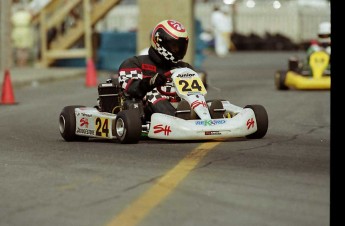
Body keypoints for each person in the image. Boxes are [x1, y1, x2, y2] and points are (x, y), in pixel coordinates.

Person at [118, 19, 194, 118]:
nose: (177, 50)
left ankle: (209, 117)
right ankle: (178, 119)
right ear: (159, 42)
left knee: (196, 99)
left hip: (180, 106)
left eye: (181, 47)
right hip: (146, 115)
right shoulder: (134, 63)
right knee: (152, 94)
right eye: (174, 46)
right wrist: (150, 82)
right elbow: (132, 90)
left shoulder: (184, 67)